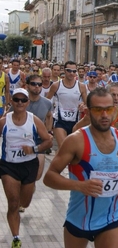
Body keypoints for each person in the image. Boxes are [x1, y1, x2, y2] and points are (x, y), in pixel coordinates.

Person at [43, 87, 118, 248]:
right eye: (98, 110)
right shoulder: (75, 141)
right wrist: (80, 185)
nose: (105, 115)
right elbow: (49, 177)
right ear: (88, 111)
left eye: (109, 109)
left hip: (110, 218)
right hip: (79, 218)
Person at [0, 88, 53, 248]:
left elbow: (48, 141)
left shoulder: (34, 120)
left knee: (25, 202)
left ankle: (28, 193)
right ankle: (16, 237)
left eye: (23, 100)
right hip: (8, 166)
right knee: (13, 203)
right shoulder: (4, 121)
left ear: (28, 103)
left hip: (29, 165)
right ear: (12, 102)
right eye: (16, 100)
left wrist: (34, 149)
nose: (20, 103)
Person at [9, 75, 53, 184]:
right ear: (27, 85)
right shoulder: (19, 101)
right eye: (33, 84)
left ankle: (27, 193)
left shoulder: (47, 103)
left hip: (38, 140)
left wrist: (48, 131)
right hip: (20, 141)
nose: (37, 87)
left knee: (36, 176)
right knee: (20, 175)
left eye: (39, 84)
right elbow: (8, 118)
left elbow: (49, 116)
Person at [46, 61, 87, 149]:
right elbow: (46, 101)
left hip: (75, 121)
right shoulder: (56, 85)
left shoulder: (81, 86)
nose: (71, 73)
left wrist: (83, 105)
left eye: (74, 71)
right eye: (69, 71)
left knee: (72, 149)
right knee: (63, 148)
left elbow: (86, 103)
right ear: (64, 71)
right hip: (60, 121)